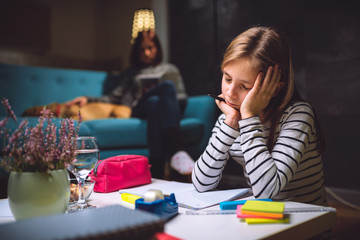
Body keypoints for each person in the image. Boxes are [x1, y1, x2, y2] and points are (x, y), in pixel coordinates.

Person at [192, 26, 327, 206]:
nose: (230, 93)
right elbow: (201, 184)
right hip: (263, 220)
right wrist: (231, 123)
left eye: (245, 86)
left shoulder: (298, 115)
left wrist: (248, 116)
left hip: (304, 224)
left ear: (274, 88)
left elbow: (266, 191)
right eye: (227, 78)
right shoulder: (231, 116)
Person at [66, 30, 195, 179]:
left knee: (158, 98)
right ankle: (177, 151)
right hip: (140, 108)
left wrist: (165, 99)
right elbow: (114, 98)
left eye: (150, 48)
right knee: (159, 93)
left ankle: (157, 171)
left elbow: (182, 97)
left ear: (157, 49)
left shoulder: (170, 69)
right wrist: (88, 99)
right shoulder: (131, 73)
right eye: (142, 49)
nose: (146, 53)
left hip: (164, 108)